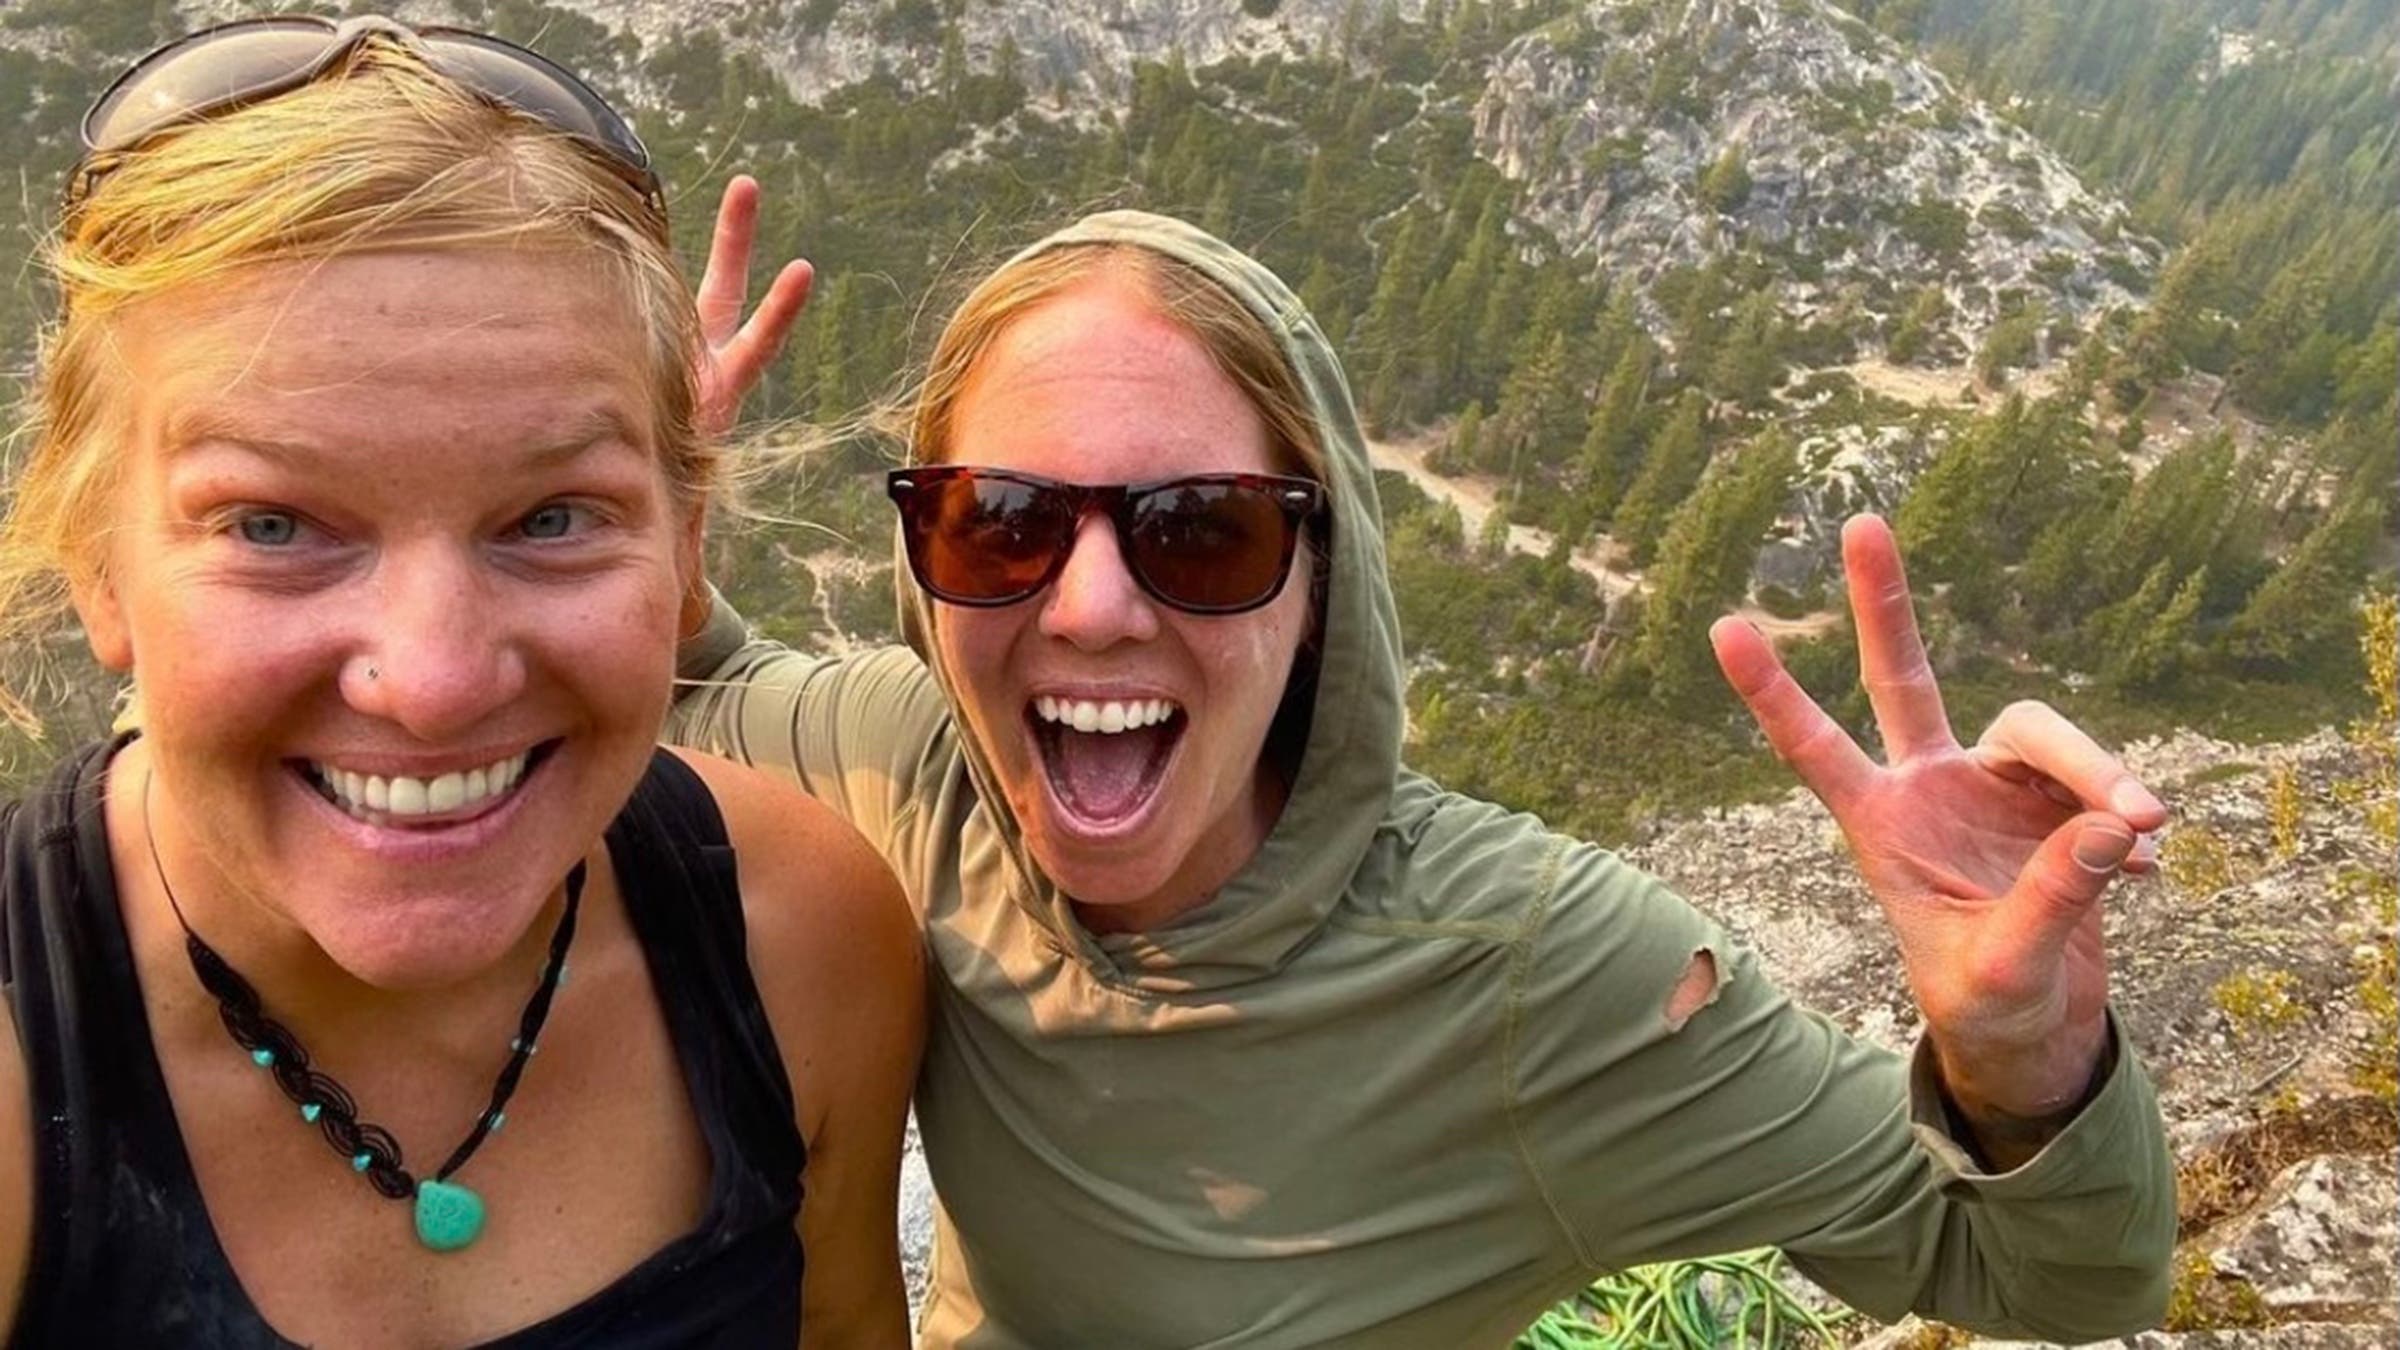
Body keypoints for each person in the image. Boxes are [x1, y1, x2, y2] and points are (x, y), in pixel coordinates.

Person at [673, 204, 2178, 1348]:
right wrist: (632, 495)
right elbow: (700, 690)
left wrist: (2021, 1057)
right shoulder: (910, 773)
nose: (1088, 605)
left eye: (1201, 529)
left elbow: (2062, 1271)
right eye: (998, 519)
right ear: (923, 563)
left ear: (1319, 582)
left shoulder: (1532, 972)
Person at [0, 17, 919, 1346]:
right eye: (273, 524)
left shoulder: (799, 937)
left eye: (552, 517)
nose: (430, 681)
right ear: (98, 563)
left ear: (686, 546)